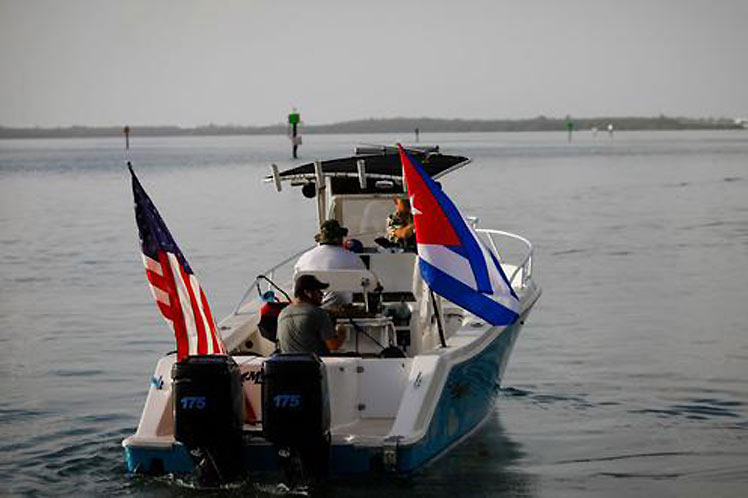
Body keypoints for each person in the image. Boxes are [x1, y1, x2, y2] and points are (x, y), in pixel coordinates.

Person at [294, 219, 366, 307]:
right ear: (340, 238)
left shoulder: (304, 258)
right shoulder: (352, 258)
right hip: (343, 309)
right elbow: (364, 285)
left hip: (312, 307)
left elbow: (296, 286)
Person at [277, 275, 345, 355]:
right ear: (307, 293)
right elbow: (333, 346)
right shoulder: (318, 313)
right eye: (318, 291)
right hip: (313, 365)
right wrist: (341, 333)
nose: (322, 295)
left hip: (288, 365)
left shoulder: (282, 313)